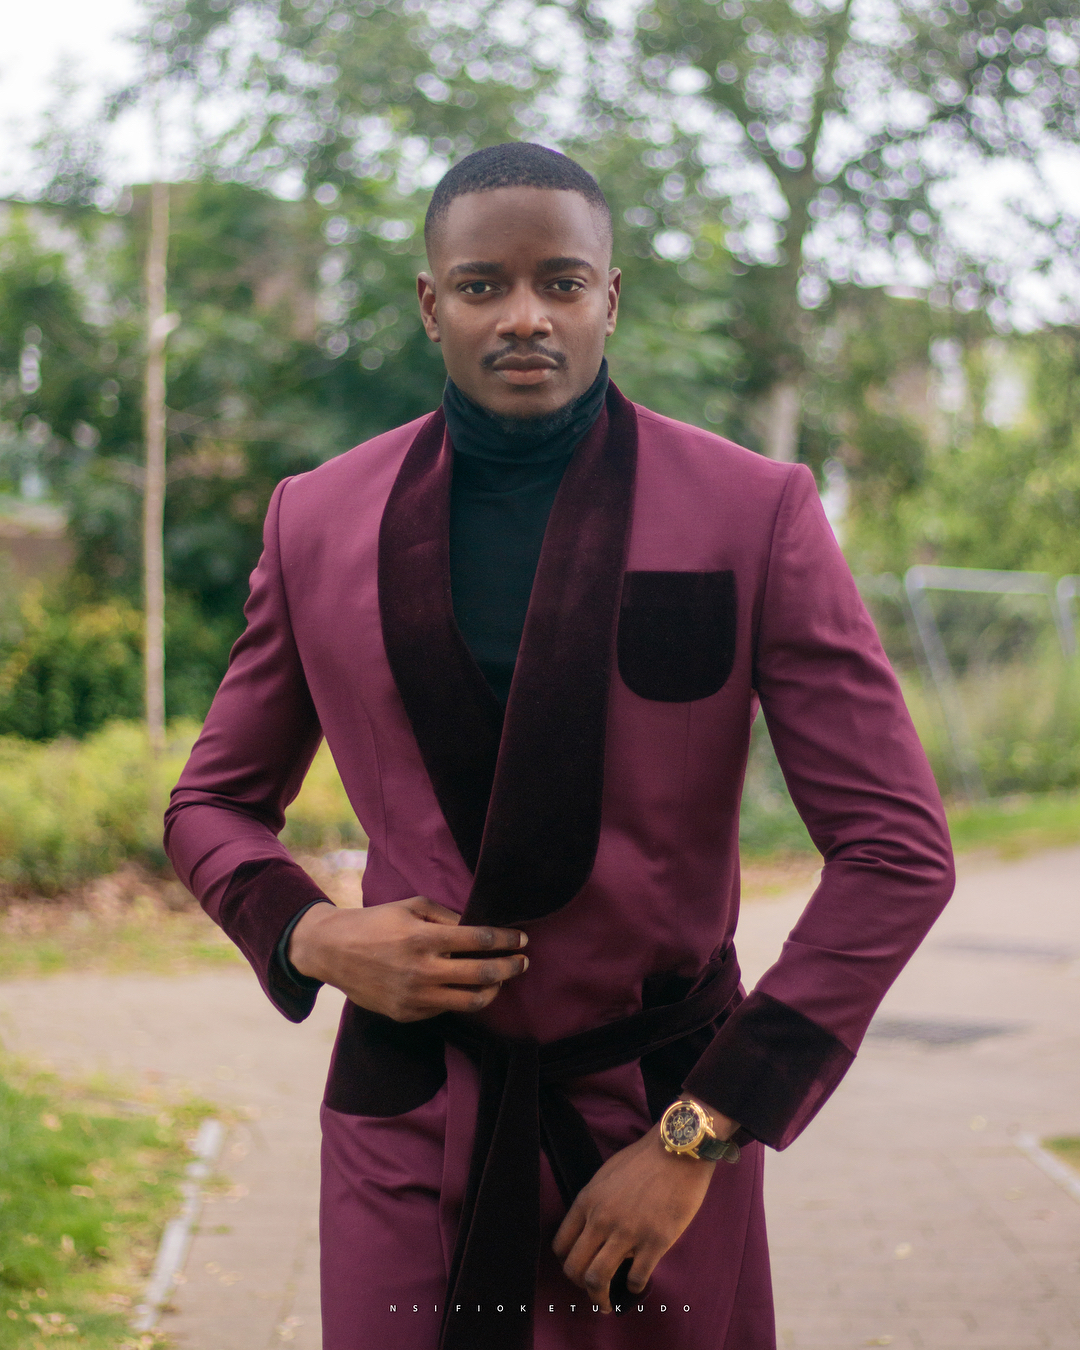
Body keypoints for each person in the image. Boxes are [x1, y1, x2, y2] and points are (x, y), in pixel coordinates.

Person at [165, 142, 954, 1350]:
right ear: (431, 303)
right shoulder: (317, 519)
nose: (525, 315)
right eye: (483, 285)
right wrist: (312, 935)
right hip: (407, 1123)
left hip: (661, 1123)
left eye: (562, 283)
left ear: (610, 297)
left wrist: (700, 1135)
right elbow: (211, 804)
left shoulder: (753, 512)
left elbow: (898, 853)